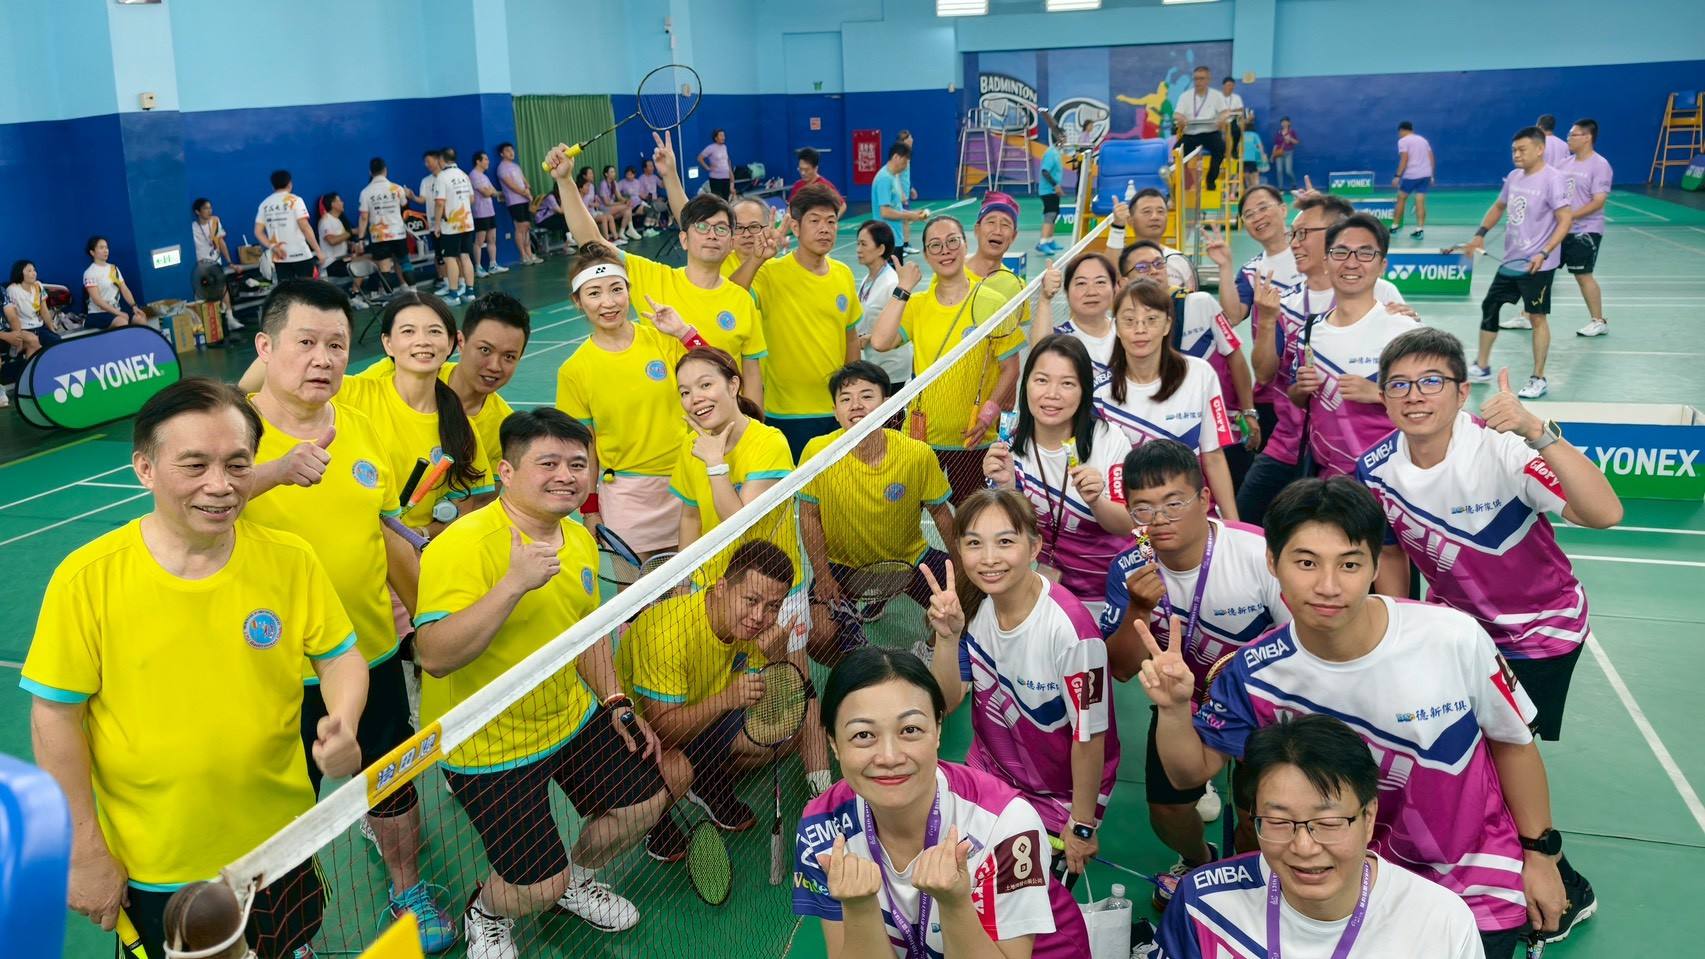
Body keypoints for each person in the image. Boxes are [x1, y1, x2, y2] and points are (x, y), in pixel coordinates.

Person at [1141, 477, 1596, 957]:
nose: (1328, 586)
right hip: (1340, 885)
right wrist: (1173, 709)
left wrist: (1541, 855)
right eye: (1306, 563)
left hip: (1472, 885)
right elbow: (1190, 774)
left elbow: (1513, 743)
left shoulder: (1452, 638)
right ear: (1272, 563)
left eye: (1350, 564)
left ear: (1376, 565)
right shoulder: (1253, 672)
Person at [22, 377, 367, 957]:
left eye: (237, 464)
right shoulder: (86, 579)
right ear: (145, 468)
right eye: (195, 465)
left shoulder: (289, 559)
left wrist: (346, 721)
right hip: (160, 864)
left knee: (290, 943)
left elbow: (339, 656)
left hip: (280, 842)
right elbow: (54, 717)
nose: (220, 485)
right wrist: (83, 851)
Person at [241, 280, 454, 952]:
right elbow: (186, 508)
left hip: (370, 652)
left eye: (335, 344)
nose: (323, 358)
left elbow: (386, 533)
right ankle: (290, 934)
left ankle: (406, 886)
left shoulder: (360, 426)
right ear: (265, 347)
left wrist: (428, 622)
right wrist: (274, 470)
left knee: (392, 780)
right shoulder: (233, 430)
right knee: (280, 816)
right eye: (305, 342)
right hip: (269, 670)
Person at [414, 408, 678, 949]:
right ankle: (488, 910)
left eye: (577, 464)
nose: (566, 475)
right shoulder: (461, 546)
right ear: (507, 473)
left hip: (570, 717)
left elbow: (585, 633)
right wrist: (512, 585)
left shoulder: (576, 536)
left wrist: (615, 700)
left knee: (646, 804)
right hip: (489, 745)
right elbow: (434, 656)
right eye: (549, 463)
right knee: (535, 886)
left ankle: (572, 880)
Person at [1360, 327, 1623, 738]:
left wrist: (1537, 432)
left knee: (1512, 745)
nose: (1414, 395)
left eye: (1431, 381)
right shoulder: (1374, 469)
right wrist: (1400, 624)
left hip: (1539, 632)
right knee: (1449, 738)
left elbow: (1605, 513)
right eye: (1399, 384)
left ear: (1462, 392)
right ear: (1383, 397)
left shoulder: (1505, 449)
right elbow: (1391, 552)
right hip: (1454, 627)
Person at [794, 645, 1093, 958]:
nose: (889, 757)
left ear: (937, 729)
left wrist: (955, 904)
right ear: (834, 742)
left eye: (910, 729)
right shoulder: (822, 829)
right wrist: (860, 908)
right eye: (864, 735)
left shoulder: (1004, 824)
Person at [1099, 439, 1288, 908]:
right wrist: (1138, 607)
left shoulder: (1257, 553)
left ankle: (1252, 883)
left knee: (1258, 817)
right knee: (1166, 809)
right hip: (1179, 702)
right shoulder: (1129, 570)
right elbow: (1120, 669)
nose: (1159, 519)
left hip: (1259, 703)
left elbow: (1299, 643)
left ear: (1204, 499)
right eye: (1144, 508)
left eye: (1174, 503)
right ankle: (1199, 859)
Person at [1154, 714, 1485, 958]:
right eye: (1278, 821)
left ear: (1369, 817)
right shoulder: (1204, 903)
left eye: (1327, 823)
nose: (1303, 847)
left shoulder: (1441, 923)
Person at [921, 488, 1120, 884]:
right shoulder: (972, 605)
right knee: (962, 885)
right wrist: (947, 637)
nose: (989, 558)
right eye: (974, 544)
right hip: (989, 771)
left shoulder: (1072, 633)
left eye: (1005, 542)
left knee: (1026, 903)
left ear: (1034, 547)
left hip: (1059, 796)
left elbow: (1089, 737)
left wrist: (1082, 824)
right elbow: (947, 701)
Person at [617, 539, 831, 853]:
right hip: (639, 736)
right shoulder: (667, 633)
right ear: (721, 587)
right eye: (751, 600)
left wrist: (775, 657)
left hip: (703, 708)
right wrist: (727, 699)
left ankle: (707, 777)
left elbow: (772, 706)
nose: (759, 616)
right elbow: (664, 730)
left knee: (786, 737)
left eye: (773, 606)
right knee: (678, 772)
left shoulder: (753, 626)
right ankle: (657, 820)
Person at [548, 134, 766, 409]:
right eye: (701, 227)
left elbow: (752, 377)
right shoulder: (653, 277)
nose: (711, 234)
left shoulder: (742, 299)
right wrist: (565, 181)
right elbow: (591, 242)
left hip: (723, 427)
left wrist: (754, 427)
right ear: (684, 239)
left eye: (721, 228)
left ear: (731, 241)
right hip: (667, 429)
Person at [1242, 194, 1410, 522]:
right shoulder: (1285, 305)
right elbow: (1266, 375)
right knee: (1249, 518)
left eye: (1304, 233)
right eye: (1294, 234)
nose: (1295, 243)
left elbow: (1416, 380)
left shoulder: (1384, 297)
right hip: (1293, 443)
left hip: (1358, 457)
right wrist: (1267, 320)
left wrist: (1377, 392)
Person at [554, 244, 706, 557]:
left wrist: (684, 332)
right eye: (594, 293)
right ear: (578, 301)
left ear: (629, 291)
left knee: (694, 582)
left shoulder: (662, 340)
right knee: (636, 586)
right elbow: (582, 448)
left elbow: (719, 374)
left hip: (688, 482)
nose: (608, 302)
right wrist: (590, 509)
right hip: (627, 498)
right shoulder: (574, 370)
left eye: (616, 289)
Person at [798, 361, 956, 647]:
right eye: (846, 399)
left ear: (887, 403)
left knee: (967, 600)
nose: (856, 405)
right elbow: (809, 516)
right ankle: (857, 662)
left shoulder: (916, 454)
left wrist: (962, 565)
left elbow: (941, 513)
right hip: (842, 567)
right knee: (820, 637)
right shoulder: (817, 452)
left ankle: (931, 648)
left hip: (910, 559)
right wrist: (822, 575)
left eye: (867, 396)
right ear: (835, 411)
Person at [869, 215, 1024, 504]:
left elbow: (1011, 367)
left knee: (972, 518)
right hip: (921, 439)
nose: (945, 251)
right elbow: (879, 341)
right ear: (926, 255)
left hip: (973, 441)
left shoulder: (992, 302)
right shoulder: (917, 304)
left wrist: (988, 414)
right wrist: (903, 288)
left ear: (965, 245)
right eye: (935, 245)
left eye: (952, 241)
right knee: (910, 515)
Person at [983, 335, 1134, 605]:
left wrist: (1096, 502)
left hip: (1107, 593)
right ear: (1026, 384)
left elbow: (1127, 526)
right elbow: (1003, 535)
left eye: (1067, 383)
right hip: (1039, 590)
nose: (1052, 394)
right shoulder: (1009, 444)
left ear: (1084, 390)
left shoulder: (1110, 440)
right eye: (1042, 380)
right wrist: (1006, 489)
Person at [731, 184, 862, 457]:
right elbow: (729, 297)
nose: (824, 229)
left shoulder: (844, 274)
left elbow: (850, 338)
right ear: (795, 227)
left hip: (836, 410)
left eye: (831, 222)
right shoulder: (770, 273)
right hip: (786, 413)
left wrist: (853, 393)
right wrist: (755, 260)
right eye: (814, 221)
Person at [1288, 213, 1420, 480]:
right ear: (1326, 262)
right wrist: (1300, 389)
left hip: (1390, 481)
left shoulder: (1405, 332)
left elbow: (1436, 405)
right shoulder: (1309, 332)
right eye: (1341, 252)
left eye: (1365, 253)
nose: (1351, 263)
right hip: (1329, 478)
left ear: (1382, 266)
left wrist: (1378, 393)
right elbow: (1297, 398)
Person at [1096, 278, 1240, 520]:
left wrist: (1232, 525)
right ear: (1117, 328)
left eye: (1151, 319)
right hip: (1135, 522)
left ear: (1167, 325)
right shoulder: (1100, 394)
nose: (1140, 329)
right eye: (1129, 320)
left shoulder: (1199, 374)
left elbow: (1213, 457)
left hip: (1193, 515)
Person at [1461, 127, 1574, 399]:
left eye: (1522, 149)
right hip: (1511, 259)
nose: (1517, 154)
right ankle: (1482, 367)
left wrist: (1544, 252)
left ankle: (1538, 378)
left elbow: (1565, 220)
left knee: (1537, 317)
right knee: (1490, 306)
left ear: (1540, 149)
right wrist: (1480, 234)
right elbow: (1499, 207)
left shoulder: (1553, 179)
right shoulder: (1514, 177)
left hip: (1538, 264)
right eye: (1514, 150)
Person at [1560, 119, 1614, 338]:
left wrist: (1570, 216)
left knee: (1583, 275)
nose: (1568, 139)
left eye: (1573, 135)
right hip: (1560, 229)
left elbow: (1598, 201)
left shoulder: (1600, 165)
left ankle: (1598, 321)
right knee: (1541, 270)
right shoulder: (1564, 164)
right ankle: (1527, 315)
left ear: (1587, 137)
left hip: (1586, 230)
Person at [1033, 253, 1118, 390]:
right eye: (1081, 283)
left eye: (1100, 282)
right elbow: (1039, 354)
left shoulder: (1129, 331)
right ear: (1067, 292)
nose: (1091, 292)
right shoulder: (1061, 339)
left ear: (1115, 288)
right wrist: (1045, 298)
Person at [853, 221, 912, 390]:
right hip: (874, 364)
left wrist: (870, 337)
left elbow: (904, 325)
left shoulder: (892, 283)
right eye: (858, 244)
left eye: (863, 244)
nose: (858, 249)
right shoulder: (868, 279)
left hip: (892, 368)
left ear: (880, 249)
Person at [1106, 188, 1197, 290]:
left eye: (1160, 211)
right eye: (1147, 212)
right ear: (1130, 220)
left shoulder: (1179, 259)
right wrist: (1117, 227)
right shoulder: (1124, 259)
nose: (1155, 217)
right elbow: (1111, 279)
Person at [357, 156, 416, 295]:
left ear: (370, 172)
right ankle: (414, 292)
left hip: (379, 236)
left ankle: (389, 298)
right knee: (405, 263)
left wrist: (360, 239)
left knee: (384, 269)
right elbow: (405, 208)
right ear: (385, 170)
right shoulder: (397, 188)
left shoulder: (365, 192)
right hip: (398, 232)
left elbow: (364, 217)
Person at [255, 170, 321, 282]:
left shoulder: (265, 204)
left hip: (280, 257)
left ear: (272, 186)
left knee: (287, 290)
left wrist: (273, 247)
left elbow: (258, 232)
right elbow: (305, 227)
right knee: (307, 289)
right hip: (300, 254)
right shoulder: (295, 200)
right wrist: (318, 250)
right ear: (290, 183)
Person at [1173, 66, 1230, 191]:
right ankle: (1186, 182)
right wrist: (1181, 118)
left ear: (1208, 79)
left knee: (1220, 148)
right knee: (1176, 151)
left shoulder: (1216, 95)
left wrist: (1222, 118)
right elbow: (1176, 114)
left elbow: (1225, 112)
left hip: (1210, 132)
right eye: (1196, 79)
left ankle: (1211, 180)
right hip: (1191, 133)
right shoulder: (1185, 96)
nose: (1198, 82)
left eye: (1201, 78)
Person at [434, 147, 479, 304]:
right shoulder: (464, 175)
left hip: (451, 226)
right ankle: (470, 292)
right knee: (465, 256)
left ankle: (454, 295)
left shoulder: (442, 177)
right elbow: (472, 199)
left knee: (450, 258)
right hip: (467, 223)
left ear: (442, 160)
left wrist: (437, 224)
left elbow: (440, 203)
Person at [190, 198, 242, 329]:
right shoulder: (192, 227)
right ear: (197, 212)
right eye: (205, 208)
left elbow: (221, 242)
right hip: (201, 267)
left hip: (215, 264)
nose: (209, 211)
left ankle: (230, 319)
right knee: (204, 295)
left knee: (223, 289)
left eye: (210, 208)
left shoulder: (215, 221)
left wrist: (230, 262)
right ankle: (206, 325)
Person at [316, 193, 373, 309]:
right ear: (333, 204)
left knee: (372, 258)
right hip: (332, 263)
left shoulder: (337, 221)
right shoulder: (326, 220)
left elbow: (340, 240)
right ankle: (353, 296)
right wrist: (350, 233)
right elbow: (331, 240)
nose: (342, 203)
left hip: (342, 259)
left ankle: (374, 290)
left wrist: (351, 245)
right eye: (339, 200)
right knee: (361, 264)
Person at [495, 142, 543, 265]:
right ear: (502, 154)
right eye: (507, 150)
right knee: (520, 227)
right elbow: (511, 186)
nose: (511, 152)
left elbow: (525, 182)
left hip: (525, 200)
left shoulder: (516, 166)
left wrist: (527, 190)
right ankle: (523, 256)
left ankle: (530, 254)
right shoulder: (502, 168)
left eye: (512, 150)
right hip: (514, 202)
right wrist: (524, 193)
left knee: (527, 226)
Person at [872, 142, 928, 247]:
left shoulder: (892, 177)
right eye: (905, 162)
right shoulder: (884, 179)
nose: (905, 166)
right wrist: (909, 216)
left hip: (896, 238)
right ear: (896, 157)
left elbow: (895, 208)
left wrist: (914, 214)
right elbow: (885, 212)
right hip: (887, 239)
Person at [5, 259, 61, 355]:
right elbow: (12, 317)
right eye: (29, 271)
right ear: (20, 273)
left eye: (34, 270)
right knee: (35, 344)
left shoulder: (38, 286)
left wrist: (51, 328)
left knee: (57, 341)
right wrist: (18, 335)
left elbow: (44, 310)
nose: (34, 273)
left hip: (39, 327)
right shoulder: (12, 290)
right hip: (22, 329)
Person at [81, 236, 138, 328]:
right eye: (101, 248)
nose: (106, 250)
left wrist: (134, 306)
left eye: (106, 247)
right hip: (98, 314)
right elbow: (97, 301)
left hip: (116, 311)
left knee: (140, 318)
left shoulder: (113, 268)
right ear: (92, 252)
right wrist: (119, 313)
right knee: (121, 321)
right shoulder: (89, 273)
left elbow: (124, 289)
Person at [1391, 121, 1435, 239]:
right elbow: (1431, 157)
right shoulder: (1423, 140)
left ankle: (1394, 227)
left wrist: (1397, 176)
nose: (1399, 135)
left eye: (1399, 132)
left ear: (1402, 130)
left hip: (1412, 175)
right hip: (1425, 174)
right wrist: (1431, 175)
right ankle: (1420, 230)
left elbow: (1404, 159)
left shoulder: (1403, 141)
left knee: (1401, 198)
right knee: (1420, 201)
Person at [470, 151, 508, 275]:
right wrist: (490, 191)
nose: (488, 162)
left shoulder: (484, 176)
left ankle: (493, 265)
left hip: (490, 211)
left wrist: (491, 191)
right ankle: (478, 267)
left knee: (492, 238)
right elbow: (486, 193)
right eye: (485, 159)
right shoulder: (474, 175)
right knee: (479, 241)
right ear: (478, 161)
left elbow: (494, 192)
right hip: (480, 213)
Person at [792, 147, 847, 216]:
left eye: (806, 170)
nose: (803, 173)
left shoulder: (825, 185)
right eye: (800, 169)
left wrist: (833, 219)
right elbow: (791, 206)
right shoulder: (797, 185)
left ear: (816, 168)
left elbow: (843, 206)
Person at [1036, 132, 1066, 255]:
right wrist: (1055, 185)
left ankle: (1050, 241)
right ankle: (1042, 243)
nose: (1065, 140)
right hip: (1047, 191)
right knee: (1050, 215)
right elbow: (1045, 171)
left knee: (1054, 215)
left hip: (1053, 191)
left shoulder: (1056, 152)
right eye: (1064, 137)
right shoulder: (1051, 153)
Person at [599, 164, 641, 241]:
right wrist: (622, 203)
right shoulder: (603, 184)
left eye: (614, 172)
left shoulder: (614, 183)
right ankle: (631, 229)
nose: (614, 173)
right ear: (606, 174)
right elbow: (606, 203)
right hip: (604, 209)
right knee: (627, 207)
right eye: (611, 172)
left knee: (627, 210)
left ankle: (622, 232)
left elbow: (619, 197)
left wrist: (626, 200)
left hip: (613, 208)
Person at [698, 128, 733, 199]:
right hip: (716, 179)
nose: (723, 137)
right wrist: (707, 168)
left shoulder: (724, 147)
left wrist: (731, 174)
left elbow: (727, 161)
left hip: (726, 178)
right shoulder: (710, 148)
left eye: (724, 135)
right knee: (717, 199)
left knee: (725, 199)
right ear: (716, 138)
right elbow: (700, 158)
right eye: (721, 135)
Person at [1220, 76, 1248, 152]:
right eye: (1229, 85)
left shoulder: (1236, 97)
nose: (1231, 87)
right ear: (1224, 86)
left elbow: (1240, 110)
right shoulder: (1218, 97)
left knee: (1237, 131)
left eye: (1232, 86)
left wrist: (1229, 111)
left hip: (1232, 120)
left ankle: (1234, 150)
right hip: (1220, 121)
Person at [1271, 117, 1299, 190]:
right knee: (1279, 171)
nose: (1284, 123)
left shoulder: (1292, 132)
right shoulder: (1278, 132)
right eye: (1282, 122)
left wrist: (1290, 139)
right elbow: (1276, 144)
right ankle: (1280, 188)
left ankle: (1294, 184)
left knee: (1288, 171)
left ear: (1289, 123)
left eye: (1285, 122)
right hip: (1279, 153)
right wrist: (1272, 155)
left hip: (1288, 152)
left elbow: (1297, 142)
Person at [1240, 117, 1267, 190]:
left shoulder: (1242, 135)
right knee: (1255, 175)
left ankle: (1247, 189)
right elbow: (1260, 146)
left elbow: (1238, 146)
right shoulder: (1255, 135)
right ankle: (1256, 189)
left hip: (1242, 159)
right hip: (1252, 158)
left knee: (1244, 175)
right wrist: (1262, 155)